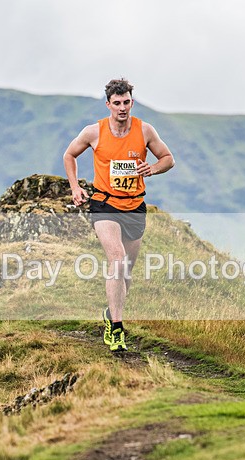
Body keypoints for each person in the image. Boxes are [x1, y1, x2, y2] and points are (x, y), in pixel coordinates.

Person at [63, 78, 175, 352]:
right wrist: (75, 187)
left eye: (126, 102)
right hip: (105, 205)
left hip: (134, 206)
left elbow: (168, 158)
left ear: (131, 103)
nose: (122, 108)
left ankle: (110, 312)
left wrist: (152, 169)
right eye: (117, 103)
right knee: (117, 259)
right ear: (108, 105)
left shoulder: (145, 130)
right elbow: (69, 155)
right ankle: (116, 328)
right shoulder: (94, 132)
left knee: (126, 273)